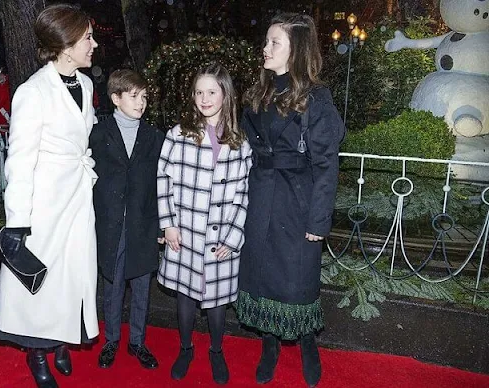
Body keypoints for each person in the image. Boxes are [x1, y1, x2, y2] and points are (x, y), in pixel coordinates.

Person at [0, 4, 99, 388]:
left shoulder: (86, 86)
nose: (94, 44)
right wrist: (18, 222)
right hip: (46, 205)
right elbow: (19, 163)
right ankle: (38, 350)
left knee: (74, 275)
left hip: (79, 196)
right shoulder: (32, 92)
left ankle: (64, 336)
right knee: (43, 281)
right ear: (67, 45)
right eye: (88, 37)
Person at [234, 13, 345, 387]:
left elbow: (327, 165)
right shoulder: (258, 93)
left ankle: (308, 343)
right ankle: (269, 344)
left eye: (274, 43)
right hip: (260, 195)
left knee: (297, 279)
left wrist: (319, 221)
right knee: (262, 274)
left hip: (298, 201)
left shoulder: (316, 98)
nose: (265, 49)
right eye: (266, 42)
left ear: (295, 49)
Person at [157, 63, 252, 385]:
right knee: (185, 295)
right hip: (185, 232)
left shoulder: (240, 141)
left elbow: (245, 193)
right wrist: (168, 225)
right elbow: (163, 180)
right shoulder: (178, 134)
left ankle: (215, 350)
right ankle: (185, 348)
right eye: (199, 92)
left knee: (217, 301)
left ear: (225, 94)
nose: (204, 98)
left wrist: (233, 237)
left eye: (211, 91)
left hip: (222, 236)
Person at [90, 69, 164, 370]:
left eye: (144, 96)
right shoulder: (97, 134)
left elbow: (162, 184)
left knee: (142, 286)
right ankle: (111, 340)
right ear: (116, 98)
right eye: (134, 96)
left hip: (143, 224)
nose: (141, 102)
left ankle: (137, 341)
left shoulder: (154, 137)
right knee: (112, 284)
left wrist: (161, 225)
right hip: (110, 225)